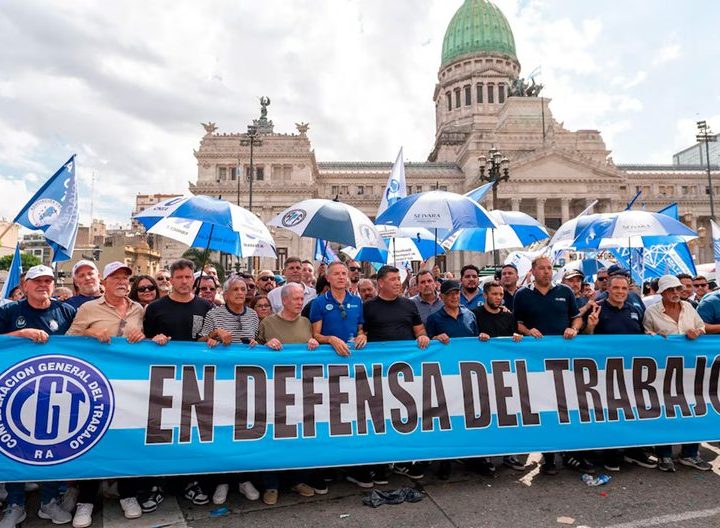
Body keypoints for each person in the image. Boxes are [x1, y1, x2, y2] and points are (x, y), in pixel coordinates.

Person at [67, 262, 146, 525]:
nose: (122, 282)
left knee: (127, 440)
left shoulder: (138, 309)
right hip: (96, 386)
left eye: (126, 278)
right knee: (95, 440)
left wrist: (144, 337)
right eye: (116, 278)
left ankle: (128, 494)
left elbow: (145, 342)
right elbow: (68, 339)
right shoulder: (88, 308)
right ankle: (86, 501)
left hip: (129, 386)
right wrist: (90, 332)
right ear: (104, 282)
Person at [0, 265, 75, 527]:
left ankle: (49, 501)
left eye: (48, 280)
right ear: (25, 285)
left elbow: (81, 342)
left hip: (56, 392)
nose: (43, 285)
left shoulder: (66, 311)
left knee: (53, 445)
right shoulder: (10, 311)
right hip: (15, 391)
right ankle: (15, 503)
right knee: (16, 445)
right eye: (37, 281)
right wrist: (20, 335)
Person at [143, 259, 214, 505]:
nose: (184, 281)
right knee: (162, 432)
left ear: (194, 279)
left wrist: (212, 339)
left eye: (188, 277)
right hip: (163, 379)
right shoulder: (155, 308)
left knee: (190, 432)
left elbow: (210, 336)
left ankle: (189, 481)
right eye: (179, 277)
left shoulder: (206, 306)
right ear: (171, 280)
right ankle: (158, 483)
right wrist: (154, 340)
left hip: (196, 378)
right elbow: (144, 341)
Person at [513, 255, 585, 475]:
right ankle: (549, 456)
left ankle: (570, 452)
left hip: (563, 359)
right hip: (536, 361)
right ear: (533, 271)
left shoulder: (565, 292)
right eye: (542, 268)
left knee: (566, 406)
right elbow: (517, 324)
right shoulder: (522, 295)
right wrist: (528, 331)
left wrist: (574, 328)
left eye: (549, 268)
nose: (547, 271)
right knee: (544, 407)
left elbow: (577, 317)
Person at [583, 275, 658, 472]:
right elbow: (584, 340)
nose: (620, 292)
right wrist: (590, 326)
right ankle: (611, 454)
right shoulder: (597, 308)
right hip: (604, 372)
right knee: (609, 413)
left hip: (631, 371)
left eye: (624, 288)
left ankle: (634, 451)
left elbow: (641, 333)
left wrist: (648, 335)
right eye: (616, 288)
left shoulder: (635, 309)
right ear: (608, 289)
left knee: (634, 411)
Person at [197, 275, 261, 505]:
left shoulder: (253, 315)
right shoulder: (213, 314)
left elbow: (258, 341)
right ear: (224, 294)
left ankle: (244, 479)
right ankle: (222, 481)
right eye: (235, 289)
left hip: (246, 381)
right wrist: (214, 335)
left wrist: (255, 344)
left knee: (244, 431)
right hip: (220, 382)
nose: (241, 293)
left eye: (243, 289)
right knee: (222, 431)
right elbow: (198, 340)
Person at [363, 265, 429, 480]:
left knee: (405, 416)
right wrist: (361, 335)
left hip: (404, 372)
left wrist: (422, 336)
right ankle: (379, 463)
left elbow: (419, 330)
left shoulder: (409, 305)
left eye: (399, 279)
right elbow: (361, 332)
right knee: (380, 417)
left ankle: (403, 461)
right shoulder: (368, 307)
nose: (398, 282)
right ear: (380, 283)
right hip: (378, 373)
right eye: (392, 279)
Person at [256, 282, 320, 505]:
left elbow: (312, 348)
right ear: (284, 300)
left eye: (302, 298)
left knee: (301, 437)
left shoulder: (306, 323)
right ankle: (271, 485)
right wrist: (266, 345)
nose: (300, 302)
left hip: (301, 390)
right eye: (296, 299)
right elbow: (252, 350)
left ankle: (299, 480)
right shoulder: (267, 323)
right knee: (273, 439)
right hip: (273, 391)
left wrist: (314, 343)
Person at [642, 275, 711, 473]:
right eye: (670, 290)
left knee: (694, 408)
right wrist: (652, 336)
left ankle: (690, 453)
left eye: (677, 289)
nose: (675, 293)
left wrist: (697, 332)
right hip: (663, 370)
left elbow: (701, 327)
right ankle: (664, 454)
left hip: (691, 369)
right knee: (665, 410)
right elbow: (645, 334)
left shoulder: (689, 307)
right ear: (662, 293)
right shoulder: (652, 312)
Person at [470, 280, 524, 473]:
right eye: (494, 294)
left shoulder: (509, 316)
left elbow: (514, 337)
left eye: (501, 294)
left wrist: (517, 337)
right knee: (485, 414)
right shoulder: (474, 315)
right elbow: (467, 340)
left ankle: (509, 454)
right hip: (482, 373)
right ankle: (485, 455)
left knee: (507, 414)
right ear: (485, 295)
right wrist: (478, 339)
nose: (498, 297)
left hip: (504, 373)